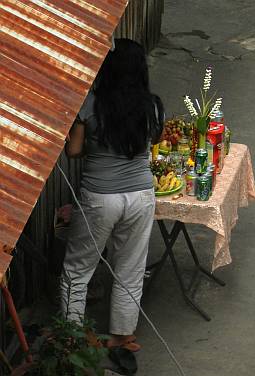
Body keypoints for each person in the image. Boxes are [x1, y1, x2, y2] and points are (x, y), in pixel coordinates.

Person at [60, 39, 164, 351]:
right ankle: (121, 337)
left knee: (77, 270)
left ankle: (71, 341)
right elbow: (153, 138)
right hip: (141, 194)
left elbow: (74, 151)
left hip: (100, 197)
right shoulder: (153, 105)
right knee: (131, 267)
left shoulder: (90, 104)